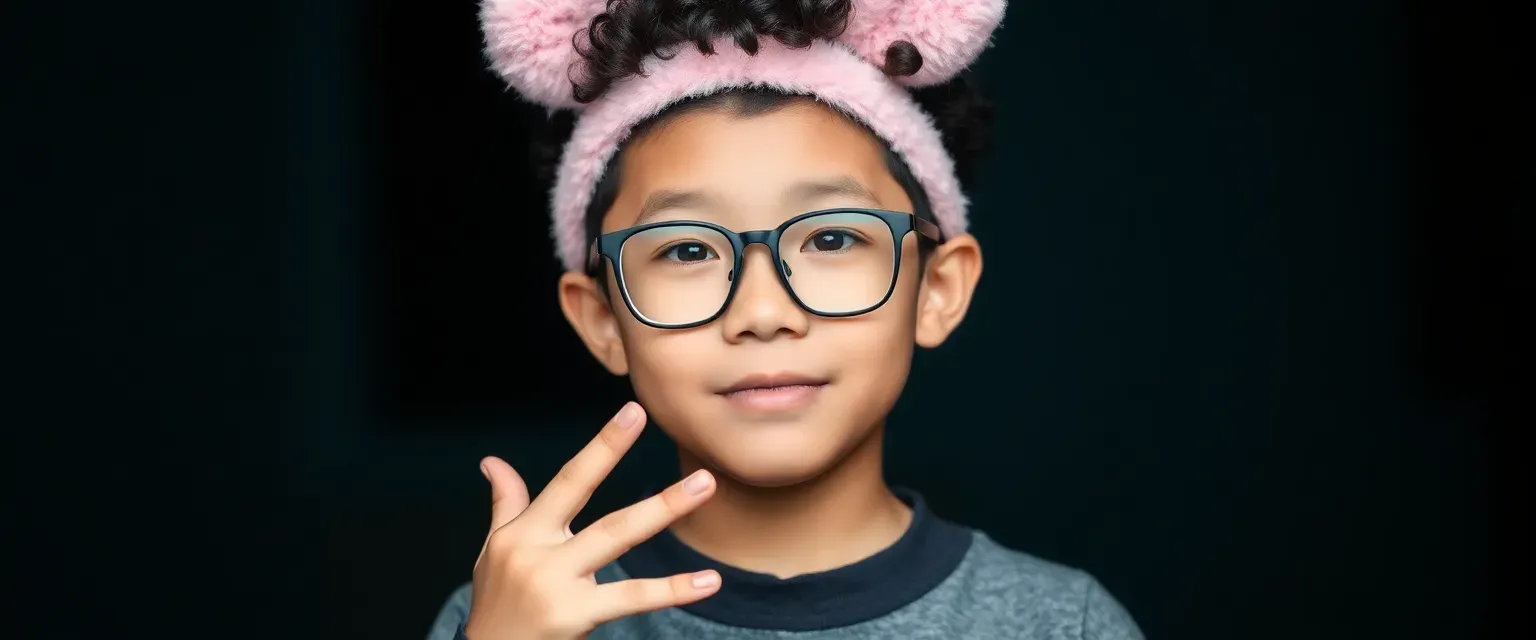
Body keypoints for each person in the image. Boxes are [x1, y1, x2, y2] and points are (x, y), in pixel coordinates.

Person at [429, 1, 1143, 638]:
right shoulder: (504, 618)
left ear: (937, 289)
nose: (763, 313)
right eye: (684, 249)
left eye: (832, 238)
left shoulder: (1065, 624)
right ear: (603, 319)